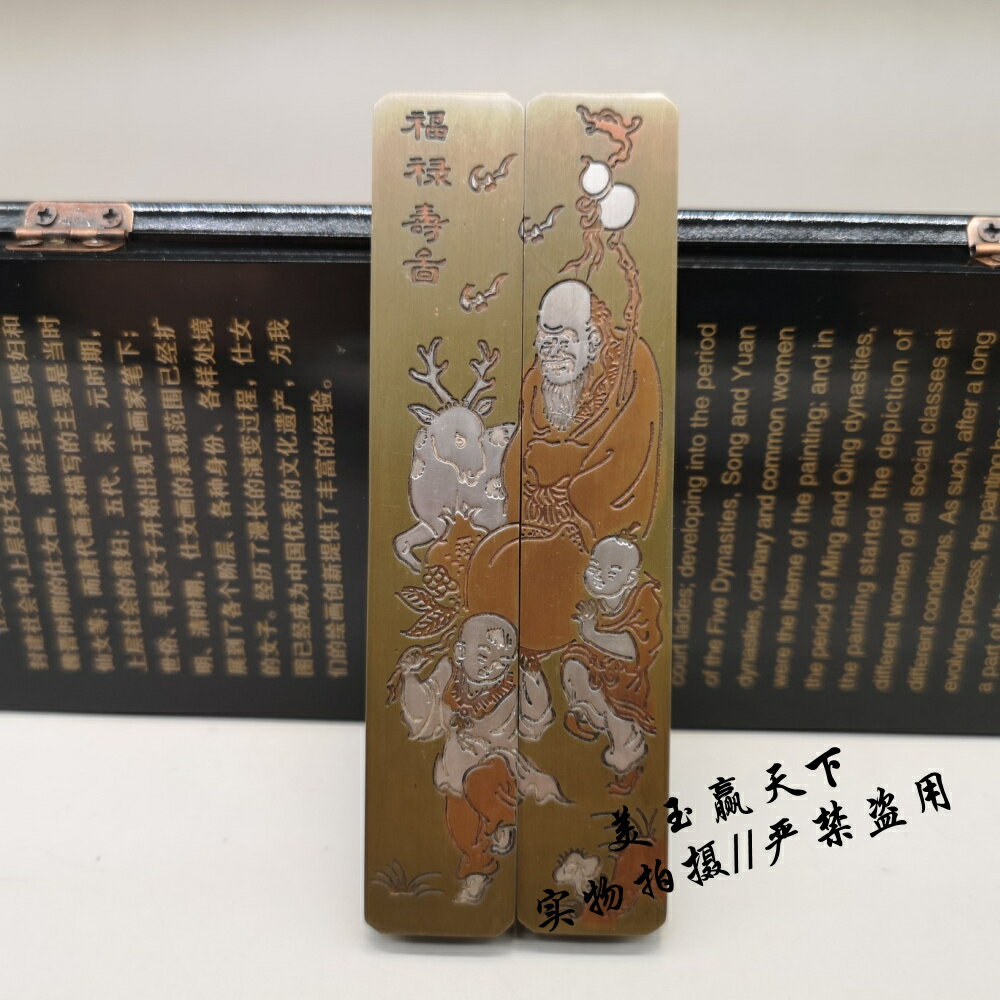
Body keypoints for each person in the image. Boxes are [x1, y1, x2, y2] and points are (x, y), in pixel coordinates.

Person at [464, 278, 663, 660]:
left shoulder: (631, 365)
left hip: (590, 526)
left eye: (565, 341)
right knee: (492, 561)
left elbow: (627, 456)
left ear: (594, 339)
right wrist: (529, 488)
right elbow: (520, 453)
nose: (553, 353)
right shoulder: (537, 378)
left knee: (549, 592)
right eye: (546, 341)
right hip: (538, 517)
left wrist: (562, 476)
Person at [396, 612, 565, 904]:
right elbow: (423, 714)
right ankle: (476, 874)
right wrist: (409, 676)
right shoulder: (448, 674)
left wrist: (533, 677)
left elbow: (535, 723)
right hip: (455, 769)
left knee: (482, 780)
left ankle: (503, 822)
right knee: (461, 828)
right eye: (485, 655)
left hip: (499, 766)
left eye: (503, 660)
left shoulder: (512, 687)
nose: (493, 666)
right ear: (461, 652)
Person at [560, 534, 663, 795]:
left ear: (630, 579)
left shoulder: (644, 601)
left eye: (612, 571)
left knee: (619, 718)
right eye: (595, 567)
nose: (599, 576)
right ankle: (585, 714)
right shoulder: (595, 606)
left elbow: (635, 649)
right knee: (573, 661)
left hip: (626, 683)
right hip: (599, 670)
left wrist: (592, 634)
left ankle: (627, 766)